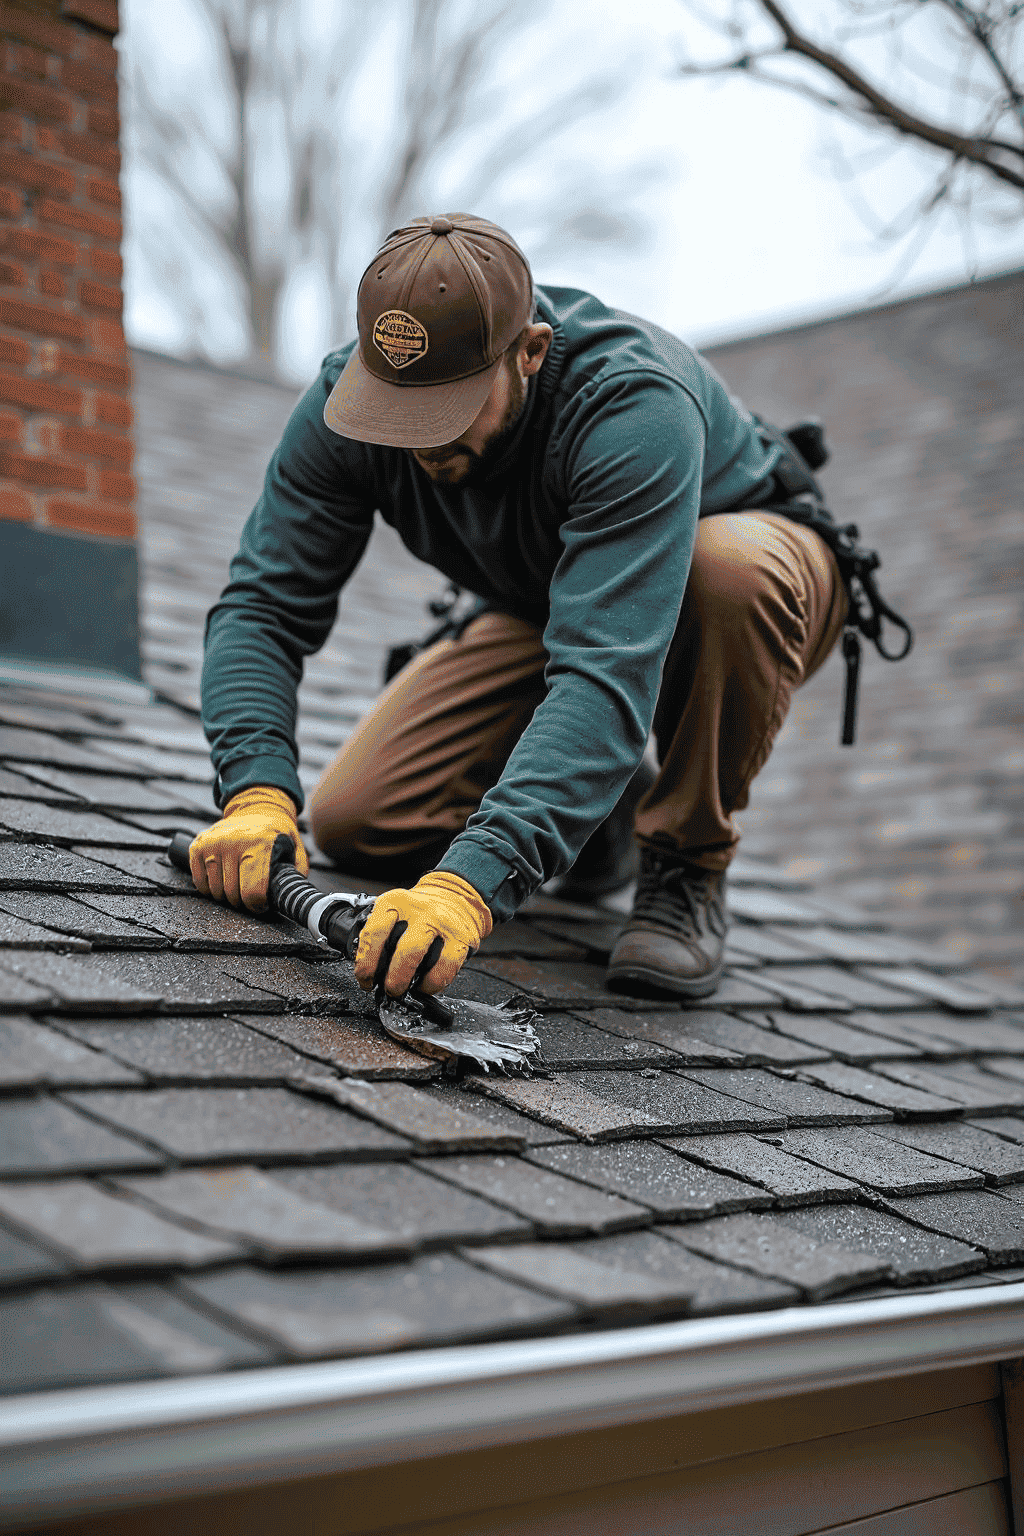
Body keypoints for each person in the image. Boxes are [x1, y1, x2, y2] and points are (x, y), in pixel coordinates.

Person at [190, 212, 847, 1003]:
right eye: (397, 411)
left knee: (727, 571)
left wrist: (468, 886)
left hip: (742, 584)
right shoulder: (343, 409)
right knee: (359, 820)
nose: (420, 445)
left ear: (530, 352)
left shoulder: (631, 402)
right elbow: (261, 607)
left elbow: (604, 673)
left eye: (450, 409)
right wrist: (255, 791)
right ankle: (602, 827)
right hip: (549, 602)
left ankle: (687, 860)